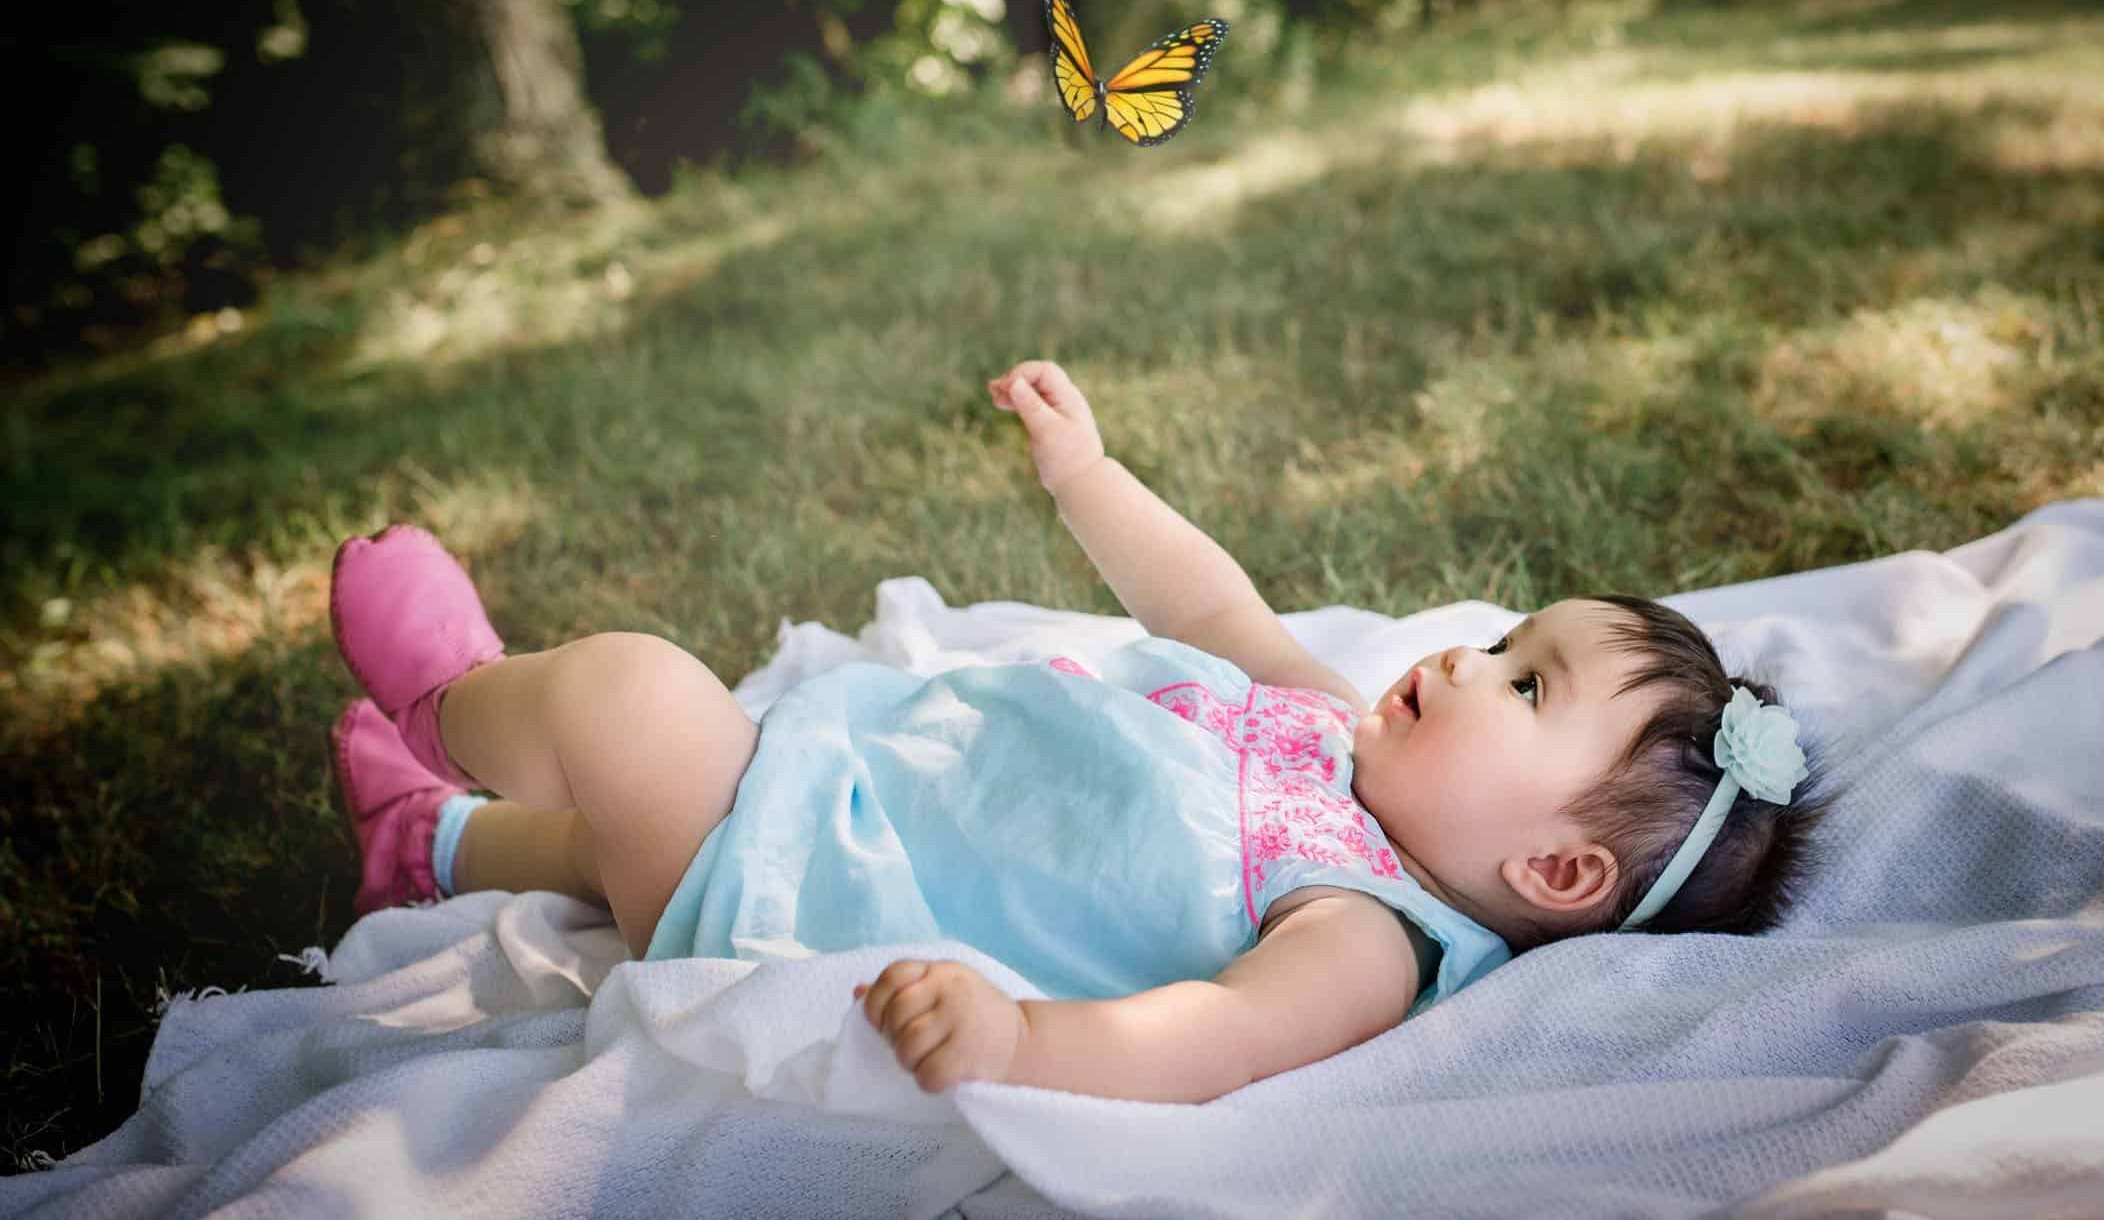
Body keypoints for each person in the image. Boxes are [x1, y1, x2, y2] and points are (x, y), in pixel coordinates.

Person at [328, 360, 1821, 1103]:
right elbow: (1211, 602)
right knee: (601, 835)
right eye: (1504, 640)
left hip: (799, 899)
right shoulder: (1332, 729)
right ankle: (432, 842)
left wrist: (1019, 1041)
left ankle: (453, 701)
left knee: (633, 697)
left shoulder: (1365, 933)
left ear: (1558, 873)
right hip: (847, 785)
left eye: (1525, 685)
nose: (1466, 658)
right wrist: (1086, 476)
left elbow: (1207, 1042)